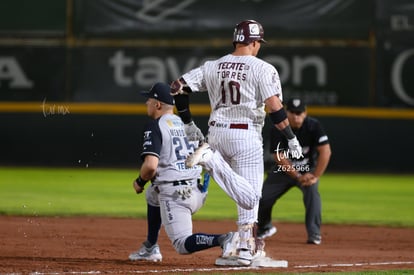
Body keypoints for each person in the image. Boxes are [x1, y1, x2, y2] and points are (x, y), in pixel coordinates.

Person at [170, 20, 303, 266]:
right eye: (258, 43)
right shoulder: (262, 68)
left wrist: (188, 123)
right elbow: (274, 108)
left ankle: (245, 251)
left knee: (244, 194)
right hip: (245, 135)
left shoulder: (213, 66)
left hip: (216, 133)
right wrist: (291, 138)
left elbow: (177, 87)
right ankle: (210, 159)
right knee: (252, 198)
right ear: (254, 42)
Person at [128, 82, 237, 262]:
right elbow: (206, 150)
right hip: (198, 191)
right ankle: (150, 247)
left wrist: (139, 181)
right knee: (152, 194)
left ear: (158, 104)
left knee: (181, 244)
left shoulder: (155, 126)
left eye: (149, 99)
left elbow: (150, 166)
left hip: (176, 196)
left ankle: (224, 238)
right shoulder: (187, 124)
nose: (146, 103)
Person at [257, 98, 331, 245]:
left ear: (305, 113)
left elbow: (325, 152)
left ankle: (314, 234)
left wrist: (315, 176)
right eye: (292, 112)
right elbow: (279, 156)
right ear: (286, 112)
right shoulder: (278, 127)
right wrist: (297, 175)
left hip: (307, 171)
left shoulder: (313, 125)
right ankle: (264, 228)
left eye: (300, 113)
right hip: (283, 171)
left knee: (312, 194)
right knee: (263, 198)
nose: (296, 116)